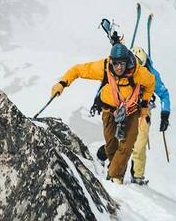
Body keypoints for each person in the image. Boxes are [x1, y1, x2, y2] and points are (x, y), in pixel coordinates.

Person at [51, 41, 155, 184]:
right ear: (111, 61)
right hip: (109, 110)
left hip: (131, 111)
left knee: (127, 145)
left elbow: (151, 82)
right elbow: (78, 70)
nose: (119, 68)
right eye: (116, 64)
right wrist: (62, 83)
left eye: (122, 64)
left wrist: (144, 105)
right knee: (111, 144)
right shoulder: (103, 67)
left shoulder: (137, 72)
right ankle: (114, 171)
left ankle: (115, 178)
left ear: (127, 62)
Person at [129, 46, 171, 186]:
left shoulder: (152, 74)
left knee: (140, 144)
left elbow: (164, 94)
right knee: (120, 141)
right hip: (126, 108)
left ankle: (137, 175)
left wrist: (165, 115)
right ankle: (104, 156)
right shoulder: (125, 66)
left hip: (143, 111)